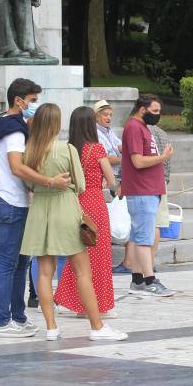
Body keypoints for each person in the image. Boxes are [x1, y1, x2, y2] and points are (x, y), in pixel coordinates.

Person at [19, 103, 127, 341]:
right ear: (56, 124)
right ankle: (97, 327)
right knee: (82, 272)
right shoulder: (66, 150)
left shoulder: (29, 150)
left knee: (45, 273)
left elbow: (27, 183)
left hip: (40, 212)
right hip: (66, 209)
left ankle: (51, 327)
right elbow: (79, 183)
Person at [0, 78, 69, 338]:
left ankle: (18, 318)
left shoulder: (3, 123)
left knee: (21, 263)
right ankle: (2, 321)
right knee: (9, 264)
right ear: (18, 101)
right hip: (10, 201)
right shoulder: (14, 131)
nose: (34, 105)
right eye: (32, 101)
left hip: (9, 199)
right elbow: (16, 167)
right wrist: (49, 181)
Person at [55, 107, 118, 318]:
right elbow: (111, 180)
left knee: (78, 253)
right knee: (99, 254)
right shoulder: (97, 149)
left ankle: (72, 300)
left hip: (74, 203)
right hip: (94, 202)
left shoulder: (68, 149)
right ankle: (99, 304)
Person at [121, 94, 175, 296]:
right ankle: (150, 280)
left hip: (148, 190)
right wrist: (163, 157)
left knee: (137, 237)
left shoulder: (142, 127)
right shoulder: (134, 127)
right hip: (141, 190)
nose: (157, 115)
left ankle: (137, 280)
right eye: (154, 111)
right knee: (144, 239)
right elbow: (137, 161)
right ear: (142, 109)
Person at [92, 99, 132, 275]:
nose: (108, 118)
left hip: (116, 177)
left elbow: (118, 147)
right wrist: (129, 159)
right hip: (108, 180)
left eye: (110, 115)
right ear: (96, 116)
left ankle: (127, 260)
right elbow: (105, 158)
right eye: (105, 114)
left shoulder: (108, 131)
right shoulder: (95, 133)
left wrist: (131, 150)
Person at [149, 121, 172, 265]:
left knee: (149, 224)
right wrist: (166, 179)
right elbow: (168, 161)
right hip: (161, 181)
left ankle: (144, 265)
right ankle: (150, 263)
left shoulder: (141, 131)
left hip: (147, 182)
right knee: (156, 224)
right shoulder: (163, 133)